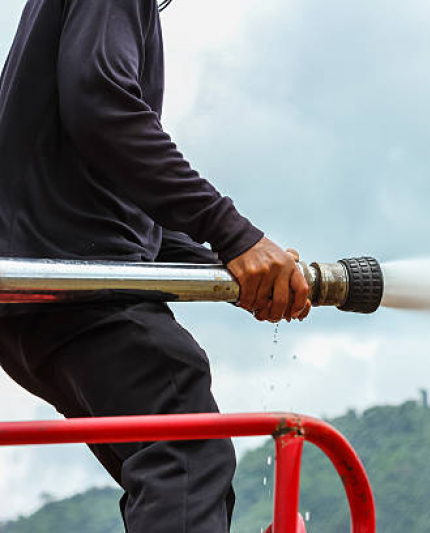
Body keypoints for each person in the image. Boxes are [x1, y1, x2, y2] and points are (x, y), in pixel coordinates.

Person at [0, 0, 310, 531]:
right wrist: (233, 233)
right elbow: (100, 104)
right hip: (77, 292)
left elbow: (102, 194)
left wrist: (231, 268)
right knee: (185, 450)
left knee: (176, 473)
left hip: (32, 294)